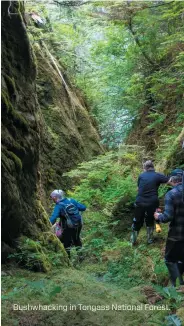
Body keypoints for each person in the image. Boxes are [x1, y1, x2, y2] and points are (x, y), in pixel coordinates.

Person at [154, 169, 184, 287]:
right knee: (181, 259)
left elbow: (167, 217)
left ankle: (177, 285)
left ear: (172, 179)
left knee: (170, 259)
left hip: (176, 234)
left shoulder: (171, 194)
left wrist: (158, 216)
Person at [130, 160, 169, 245]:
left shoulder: (141, 175)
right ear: (153, 167)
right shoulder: (157, 175)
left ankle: (133, 241)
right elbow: (169, 180)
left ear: (145, 168)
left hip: (140, 201)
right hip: (152, 202)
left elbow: (138, 188)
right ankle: (149, 240)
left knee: (137, 220)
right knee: (150, 220)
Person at [49, 189, 86, 258]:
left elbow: (54, 217)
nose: (52, 200)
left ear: (56, 197)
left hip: (68, 226)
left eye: (53, 198)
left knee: (66, 242)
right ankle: (81, 257)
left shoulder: (59, 206)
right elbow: (83, 208)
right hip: (79, 224)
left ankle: (68, 260)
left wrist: (48, 224)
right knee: (76, 239)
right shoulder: (71, 200)